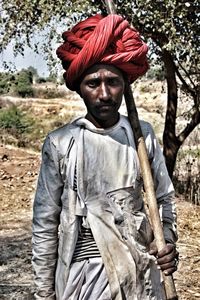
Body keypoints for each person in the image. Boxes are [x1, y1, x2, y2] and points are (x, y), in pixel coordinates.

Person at [32, 14, 178, 300]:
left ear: (125, 84)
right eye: (92, 84)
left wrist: (169, 242)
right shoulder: (61, 143)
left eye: (113, 82)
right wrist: (43, 293)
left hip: (140, 278)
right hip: (82, 282)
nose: (104, 94)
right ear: (79, 88)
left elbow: (164, 199)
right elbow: (45, 225)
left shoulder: (141, 136)